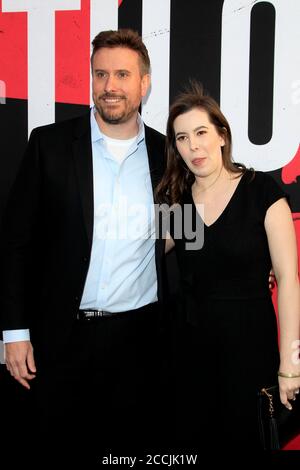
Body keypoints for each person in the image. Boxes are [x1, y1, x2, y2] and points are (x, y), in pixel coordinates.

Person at [1, 29, 168, 462]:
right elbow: (16, 243)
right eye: (100, 74)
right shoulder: (49, 145)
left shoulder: (167, 156)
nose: (110, 86)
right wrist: (15, 333)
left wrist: (244, 264)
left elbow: (186, 237)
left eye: (122, 74)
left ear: (144, 83)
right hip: (60, 338)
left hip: (138, 341)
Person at [156, 82, 300, 450]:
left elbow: (288, 279)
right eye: (183, 138)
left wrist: (289, 365)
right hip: (191, 360)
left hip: (250, 356)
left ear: (222, 136)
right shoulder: (181, 207)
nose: (194, 146)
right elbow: (140, 251)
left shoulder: (260, 192)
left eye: (201, 132)